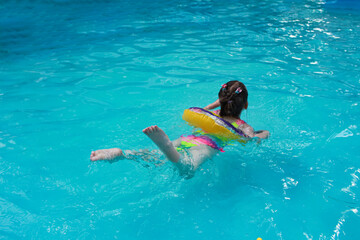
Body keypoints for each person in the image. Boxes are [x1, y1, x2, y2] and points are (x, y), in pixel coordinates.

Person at [90, 80, 269, 178]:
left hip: (188, 139)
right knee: (187, 170)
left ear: (219, 100)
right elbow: (250, 140)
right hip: (207, 145)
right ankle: (166, 147)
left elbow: (202, 111)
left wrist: (219, 102)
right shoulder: (242, 126)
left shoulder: (211, 114)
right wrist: (263, 134)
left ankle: (125, 154)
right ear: (245, 105)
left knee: (156, 159)